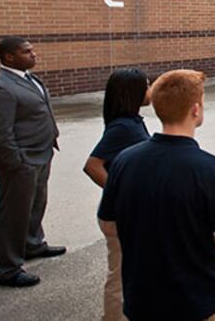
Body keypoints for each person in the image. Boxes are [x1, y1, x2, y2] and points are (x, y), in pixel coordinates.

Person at [99, 69, 215, 321]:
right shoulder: (211, 168)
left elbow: (108, 224)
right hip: (195, 300)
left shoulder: (124, 160)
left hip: (141, 298)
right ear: (196, 110)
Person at [0, 36, 66, 288]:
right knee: (13, 213)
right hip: (22, 161)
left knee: (36, 204)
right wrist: (15, 163)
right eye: (27, 52)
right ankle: (7, 269)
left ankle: (32, 244)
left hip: (41, 153)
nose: (33, 55)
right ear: (9, 57)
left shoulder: (27, 78)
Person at [84, 69, 151, 321]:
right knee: (120, 275)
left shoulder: (132, 120)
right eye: (146, 86)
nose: (150, 90)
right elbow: (92, 165)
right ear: (132, 93)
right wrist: (120, 192)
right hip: (121, 215)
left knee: (129, 271)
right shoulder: (123, 126)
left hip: (129, 214)